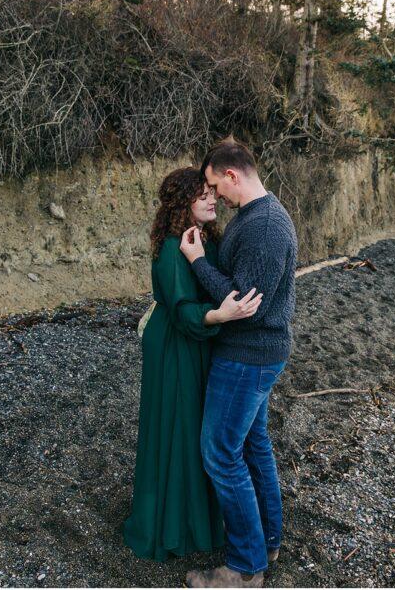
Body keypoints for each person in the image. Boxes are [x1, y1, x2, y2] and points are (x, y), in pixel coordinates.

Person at [123, 167, 262, 562]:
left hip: (200, 346)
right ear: (183, 204)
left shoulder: (205, 240)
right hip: (175, 347)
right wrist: (221, 316)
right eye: (201, 195)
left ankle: (200, 520)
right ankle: (171, 526)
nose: (211, 199)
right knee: (177, 429)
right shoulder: (171, 247)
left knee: (196, 428)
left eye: (211, 193)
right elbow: (184, 312)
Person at [180, 140, 297, 589]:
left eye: (214, 185)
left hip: (249, 356)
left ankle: (245, 569)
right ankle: (266, 541)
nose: (215, 196)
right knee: (253, 446)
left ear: (232, 175)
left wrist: (197, 260)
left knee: (221, 454)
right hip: (259, 354)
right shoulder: (256, 217)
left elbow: (242, 302)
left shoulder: (264, 226)